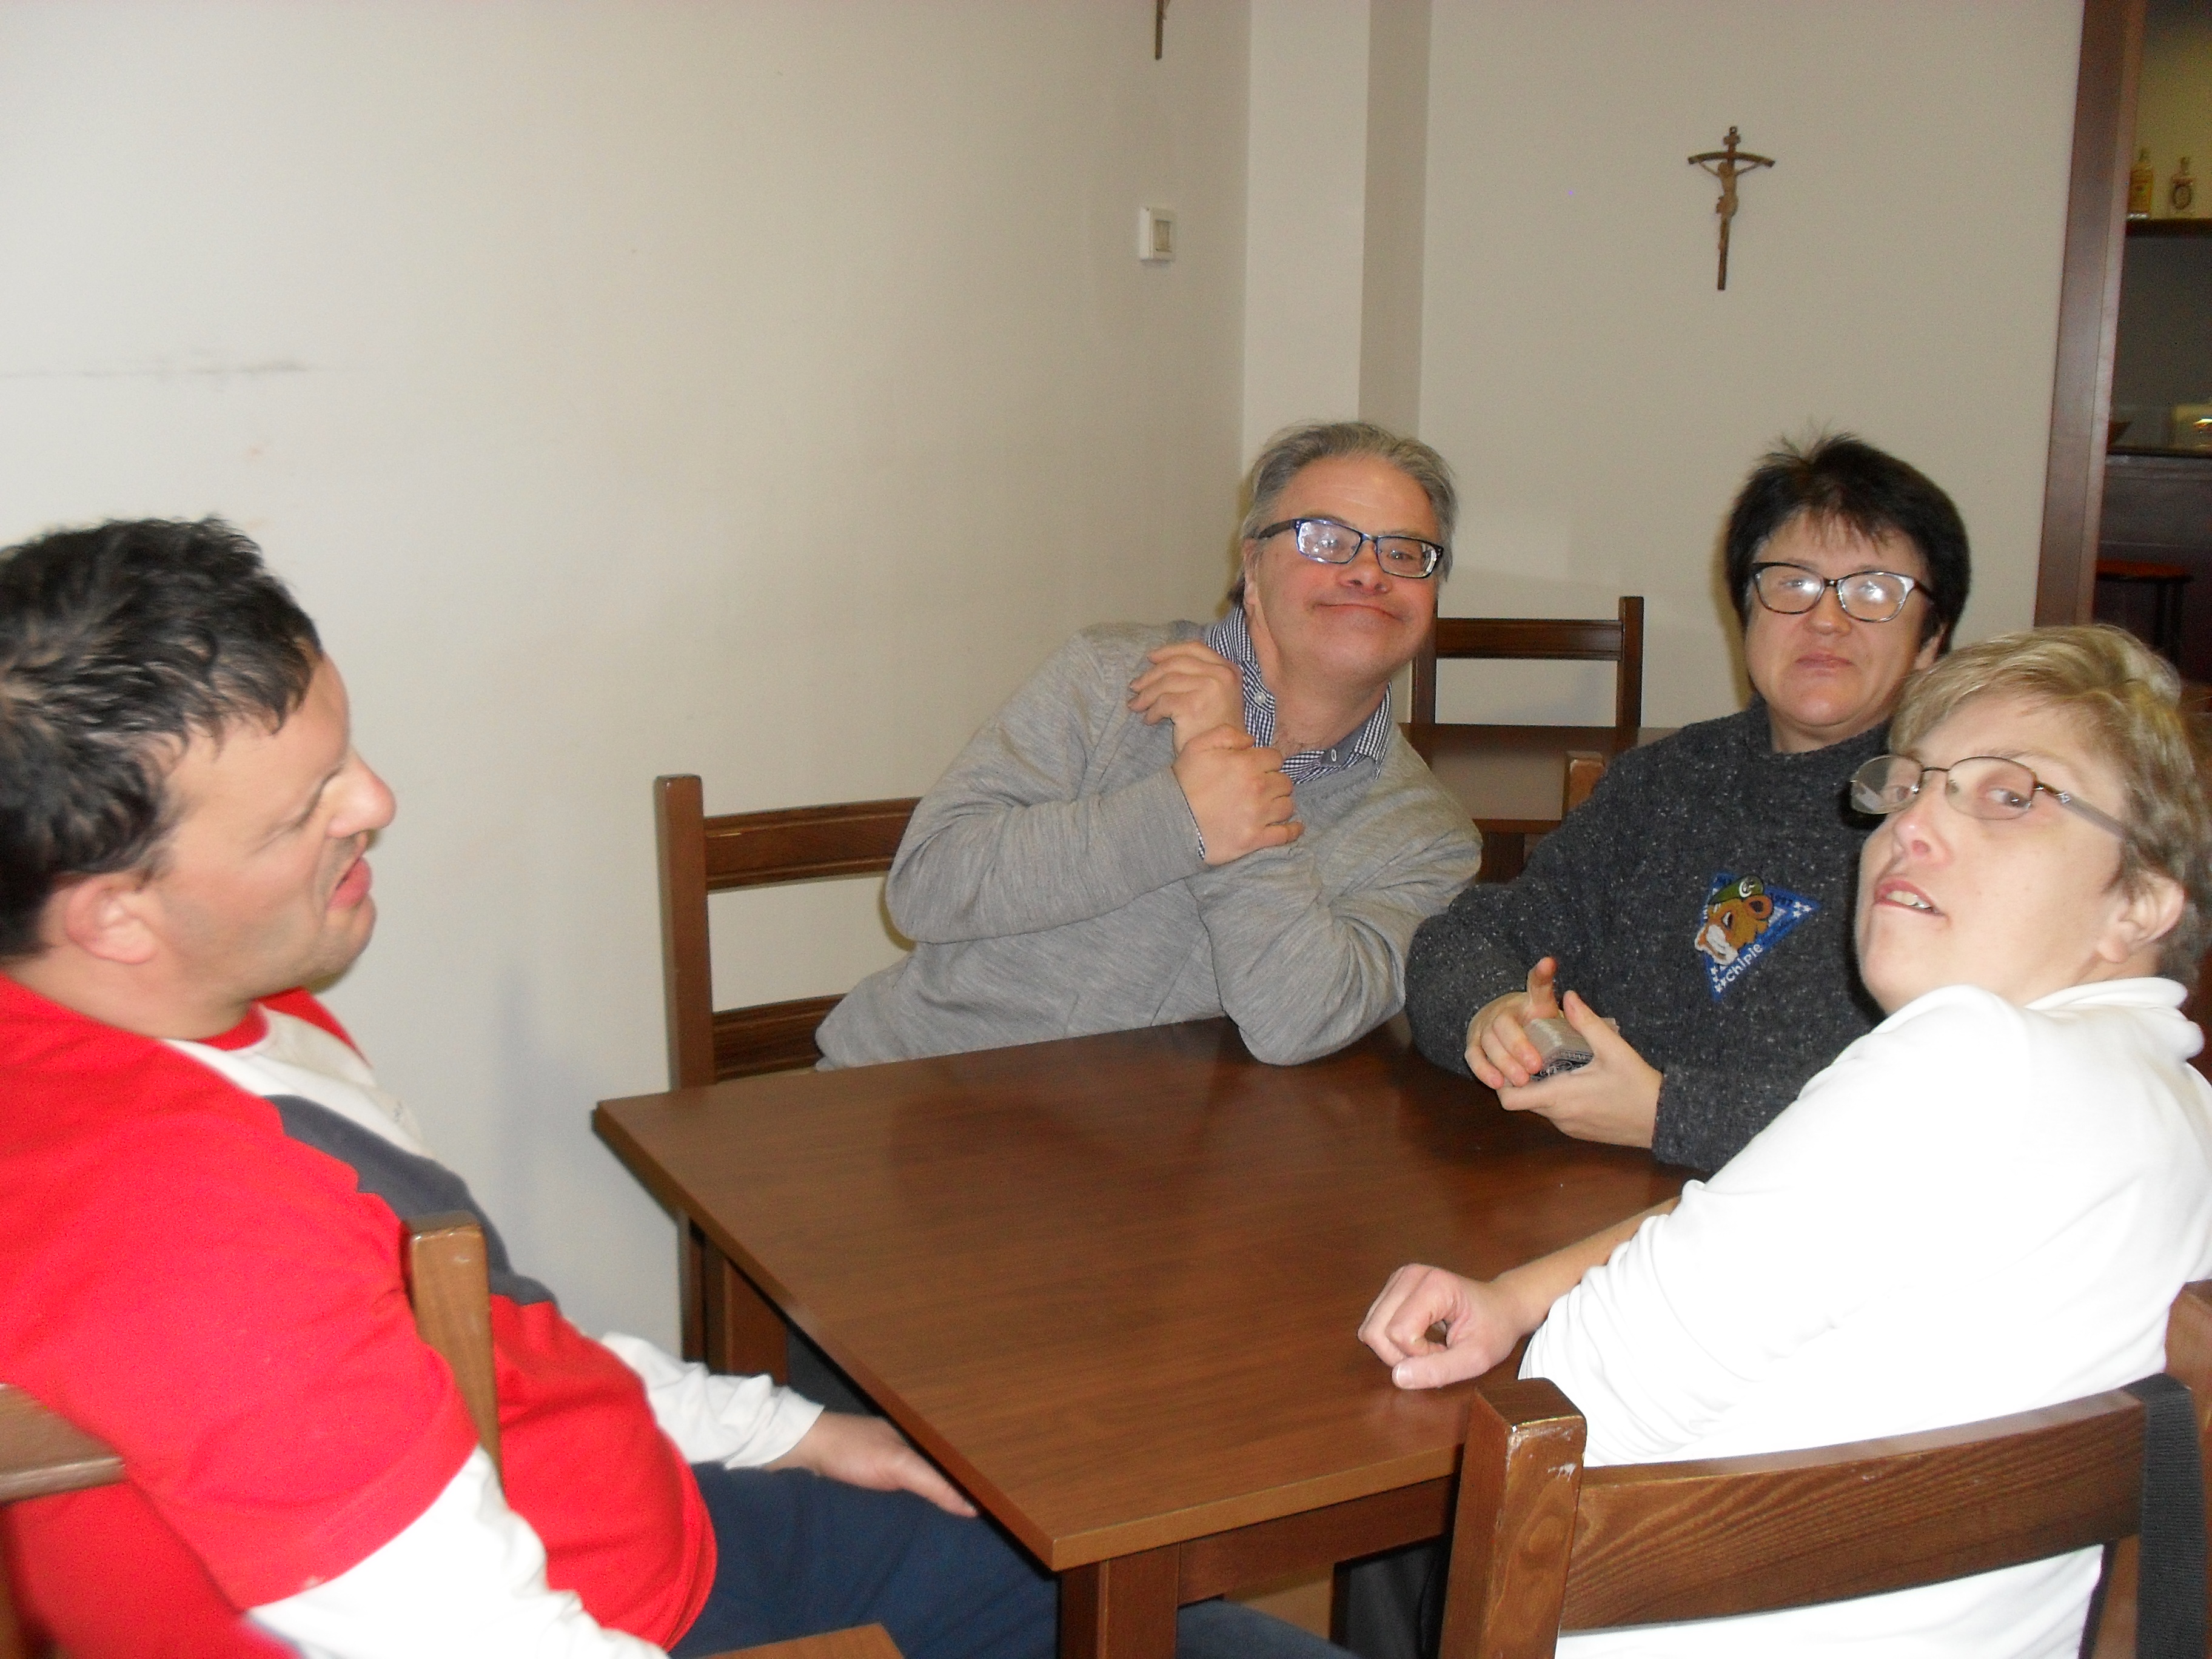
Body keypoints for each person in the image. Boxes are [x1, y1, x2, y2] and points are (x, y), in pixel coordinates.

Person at [0, 520, 1333, 1659]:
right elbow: (480, 1637)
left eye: (346, 754)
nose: (378, 802)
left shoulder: (191, 1014)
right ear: (116, 915)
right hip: (625, 1614)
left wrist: (794, 1434)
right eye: (307, 809)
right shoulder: (178, 1225)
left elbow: (507, 1341)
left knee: (1116, 1591)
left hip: (652, 1522)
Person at [1362, 624, 2212, 1656]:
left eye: (2008, 795)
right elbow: (1770, 1218)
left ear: (2140, 902)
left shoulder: (1968, 1054)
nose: (1913, 825)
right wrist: (1517, 1293)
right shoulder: (2174, 1110)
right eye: (1909, 787)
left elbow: (1575, 1407)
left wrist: (1545, 1322)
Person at [816, 421, 1482, 1069]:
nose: (1368, 573)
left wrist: (1230, 778)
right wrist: (1177, 818)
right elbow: (926, 886)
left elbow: (1301, 1022)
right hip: (915, 1090)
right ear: (1253, 566)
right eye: (1326, 540)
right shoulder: (1109, 675)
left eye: (1405, 554)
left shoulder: (1428, 837)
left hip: (1145, 1138)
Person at [1401, 434, 1972, 1173]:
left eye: (1873, 591)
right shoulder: (1667, 782)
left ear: (1931, 638)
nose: (1827, 619)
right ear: (1746, 609)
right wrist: (1494, 1014)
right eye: (1793, 583)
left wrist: (1668, 1114)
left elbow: (1948, 1123)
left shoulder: (1954, 821)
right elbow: (1469, 938)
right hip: (1586, 1195)